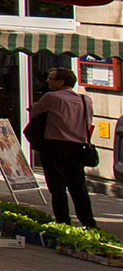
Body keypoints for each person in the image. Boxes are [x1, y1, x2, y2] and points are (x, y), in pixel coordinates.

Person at [30, 67, 99, 231]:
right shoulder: (85, 100)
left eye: (51, 78)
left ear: (61, 82)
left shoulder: (52, 97)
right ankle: (88, 222)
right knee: (78, 187)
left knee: (57, 187)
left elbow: (35, 111)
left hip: (55, 146)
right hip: (77, 147)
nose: (48, 81)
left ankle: (63, 221)